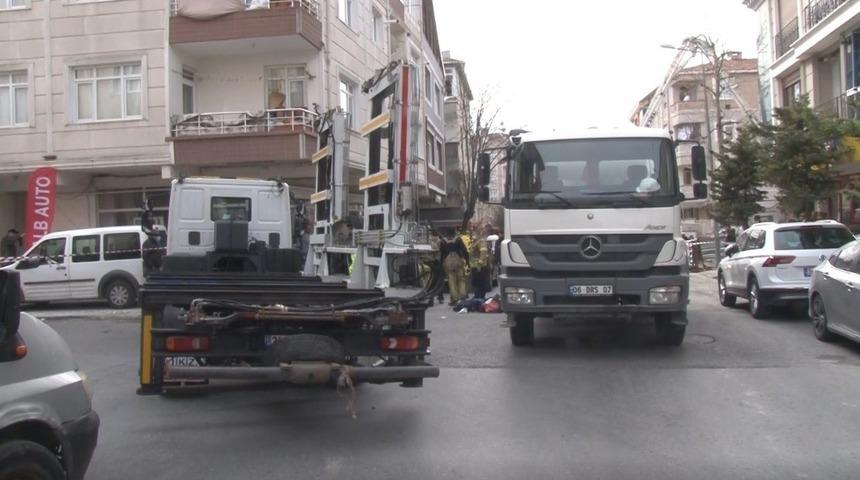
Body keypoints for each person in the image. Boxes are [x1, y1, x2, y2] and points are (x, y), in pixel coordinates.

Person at [443, 234, 469, 306]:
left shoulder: (444, 241)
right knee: (461, 280)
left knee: (452, 282)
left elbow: (442, 252)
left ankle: (454, 299)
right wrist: (467, 260)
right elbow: (464, 250)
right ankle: (462, 296)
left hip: (448, 263)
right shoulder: (458, 239)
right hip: (458, 261)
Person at [469, 225, 492, 299]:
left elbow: (483, 253)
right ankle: (477, 296)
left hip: (480, 267)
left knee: (480, 283)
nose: (473, 235)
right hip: (475, 266)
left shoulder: (481, 242)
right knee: (476, 283)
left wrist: (479, 263)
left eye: (474, 233)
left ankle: (480, 296)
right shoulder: (474, 242)